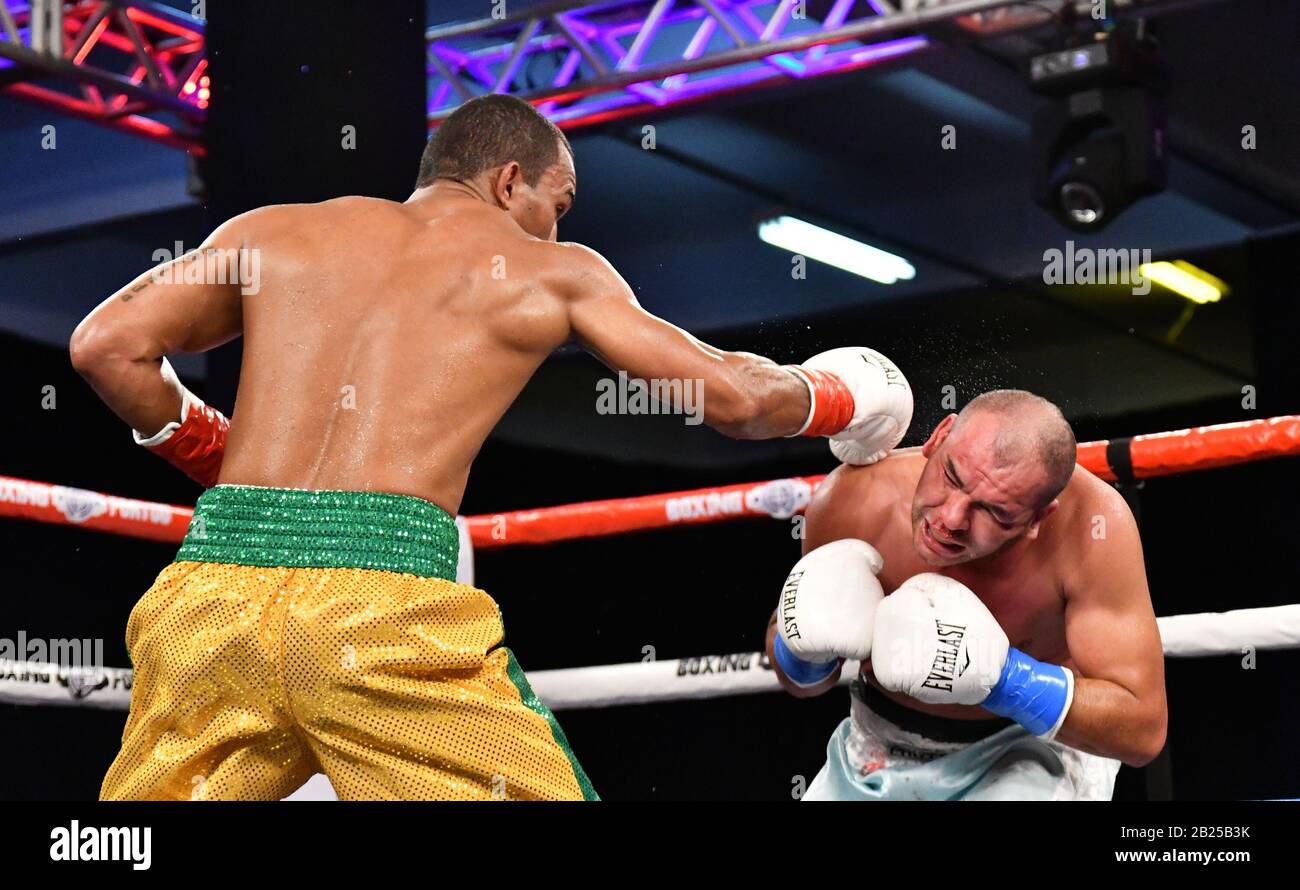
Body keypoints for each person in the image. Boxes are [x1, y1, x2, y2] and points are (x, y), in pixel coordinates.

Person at [70, 94, 913, 800]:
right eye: (560, 202)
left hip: (210, 596)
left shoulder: (270, 233)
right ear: (511, 181)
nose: (554, 228)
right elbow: (730, 398)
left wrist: (211, 453)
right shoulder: (554, 272)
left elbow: (104, 345)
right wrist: (840, 398)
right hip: (377, 611)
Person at [767, 390, 1167, 800]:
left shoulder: (1092, 529)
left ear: (1037, 519)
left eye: (994, 511)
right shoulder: (855, 500)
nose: (951, 518)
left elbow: (1141, 732)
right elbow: (799, 685)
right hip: (875, 743)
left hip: (1030, 749)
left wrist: (1006, 680)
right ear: (939, 437)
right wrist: (801, 656)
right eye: (951, 477)